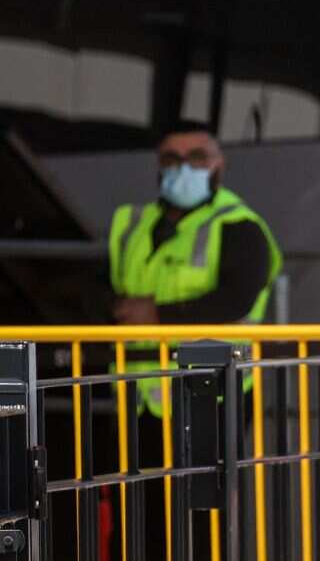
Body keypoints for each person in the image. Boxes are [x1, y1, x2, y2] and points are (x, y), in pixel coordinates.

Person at [109, 120, 281, 415]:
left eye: (197, 158)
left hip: (212, 393)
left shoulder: (239, 225)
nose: (183, 168)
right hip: (138, 394)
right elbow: (107, 287)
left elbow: (237, 299)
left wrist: (157, 314)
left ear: (218, 166)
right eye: (171, 159)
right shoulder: (132, 223)